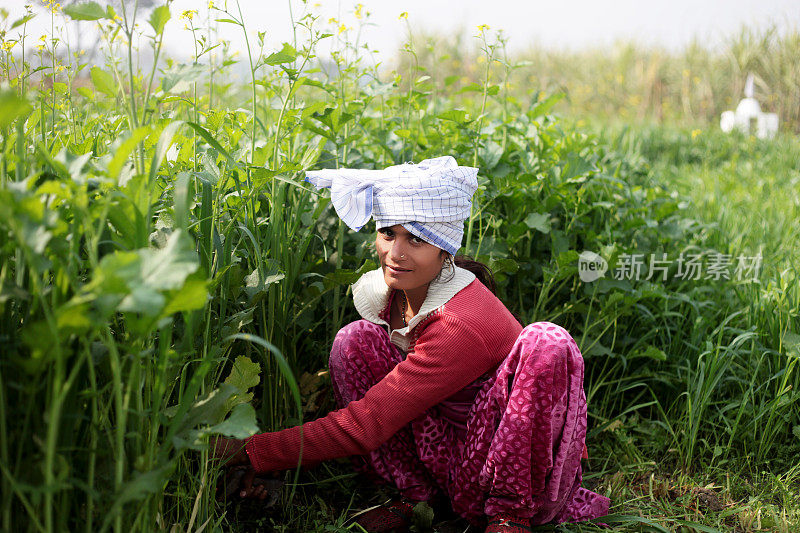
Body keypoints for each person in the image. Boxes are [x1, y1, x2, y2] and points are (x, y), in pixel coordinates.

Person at [211, 156, 610, 532]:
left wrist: (251, 450)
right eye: (388, 233)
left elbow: (368, 423)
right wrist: (270, 461)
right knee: (354, 340)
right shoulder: (399, 294)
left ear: (444, 247)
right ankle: (417, 497)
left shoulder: (459, 320)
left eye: (416, 239)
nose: (395, 254)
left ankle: (509, 517)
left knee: (547, 340)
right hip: (446, 455)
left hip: (497, 462)